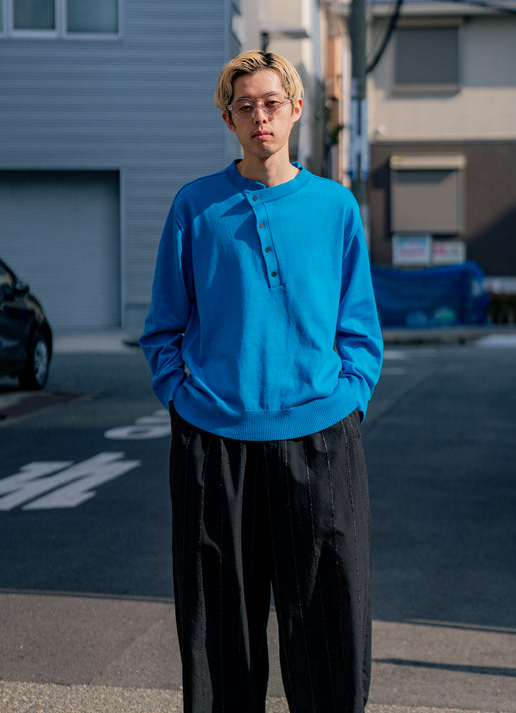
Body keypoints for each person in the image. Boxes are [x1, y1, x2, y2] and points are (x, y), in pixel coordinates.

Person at [140, 50, 383, 713]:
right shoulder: (196, 206)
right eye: (244, 106)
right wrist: (181, 399)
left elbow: (360, 328)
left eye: (271, 103)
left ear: (296, 109)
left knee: (329, 624)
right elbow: (162, 327)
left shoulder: (335, 208)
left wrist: (349, 398)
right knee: (220, 632)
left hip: (322, 439)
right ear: (229, 119)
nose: (259, 117)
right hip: (213, 442)